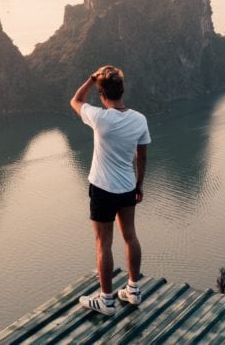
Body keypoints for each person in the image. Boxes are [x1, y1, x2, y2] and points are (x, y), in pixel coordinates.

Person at [70, 65, 150, 316]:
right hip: (128, 187)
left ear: (102, 94)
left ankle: (106, 300)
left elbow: (76, 100)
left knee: (103, 243)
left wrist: (91, 78)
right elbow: (142, 156)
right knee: (130, 236)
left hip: (102, 189)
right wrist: (139, 185)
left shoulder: (99, 117)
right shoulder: (139, 119)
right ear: (122, 90)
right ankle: (133, 290)